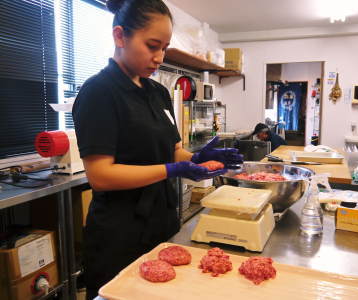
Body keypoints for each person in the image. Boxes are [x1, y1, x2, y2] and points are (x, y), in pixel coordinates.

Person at [71, 1, 243, 299]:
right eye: (152, 46)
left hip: (162, 222)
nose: (159, 57)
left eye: (164, 47)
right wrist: (172, 170)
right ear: (120, 36)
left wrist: (198, 158)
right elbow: (101, 175)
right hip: (120, 232)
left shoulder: (158, 93)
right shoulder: (99, 92)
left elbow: (173, 150)